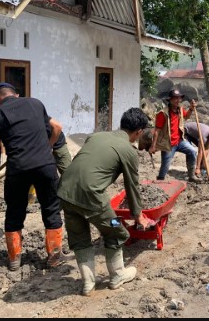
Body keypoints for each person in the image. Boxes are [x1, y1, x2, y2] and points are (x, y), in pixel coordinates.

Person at [58, 108, 153, 296]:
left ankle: (88, 283)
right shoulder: (128, 150)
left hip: (65, 192)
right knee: (116, 229)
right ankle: (118, 275)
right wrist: (138, 215)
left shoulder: (96, 136)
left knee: (79, 237)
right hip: (92, 197)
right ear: (139, 131)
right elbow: (132, 185)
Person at [0, 83, 64, 271]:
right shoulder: (36, 104)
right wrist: (47, 147)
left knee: (14, 212)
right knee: (51, 209)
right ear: (16, 95)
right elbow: (53, 128)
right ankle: (54, 256)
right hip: (45, 165)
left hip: (18, 169)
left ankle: (14, 259)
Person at [149, 90, 199, 182]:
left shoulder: (180, 109)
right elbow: (157, 130)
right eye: (175, 98)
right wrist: (153, 146)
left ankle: (191, 176)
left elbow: (186, 117)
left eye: (179, 98)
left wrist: (191, 108)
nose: (178, 100)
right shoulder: (162, 113)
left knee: (192, 151)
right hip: (169, 144)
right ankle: (160, 180)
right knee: (165, 166)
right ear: (170, 100)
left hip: (180, 141)